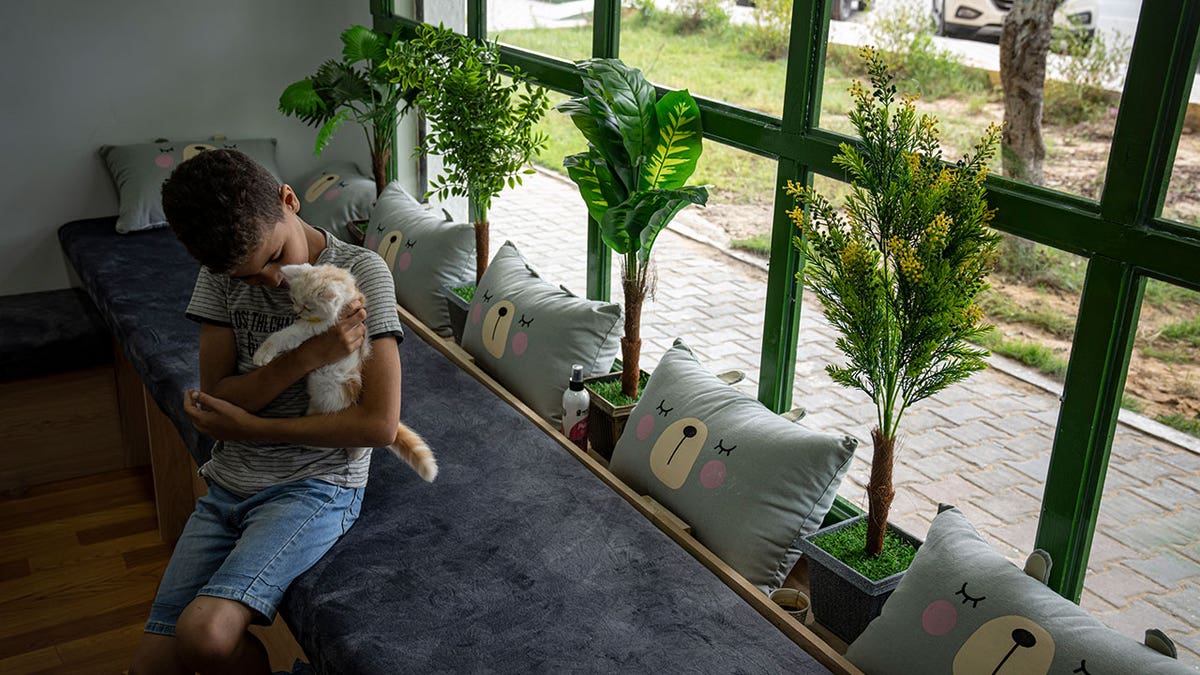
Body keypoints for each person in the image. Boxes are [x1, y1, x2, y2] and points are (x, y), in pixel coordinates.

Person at [130, 149, 404, 675]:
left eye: (276, 257)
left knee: (204, 634)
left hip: (318, 486)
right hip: (230, 483)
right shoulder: (222, 275)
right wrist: (306, 357)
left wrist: (252, 426)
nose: (272, 280)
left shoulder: (360, 271)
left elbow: (379, 425)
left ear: (288, 199)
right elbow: (221, 395)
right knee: (149, 668)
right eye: (250, 276)